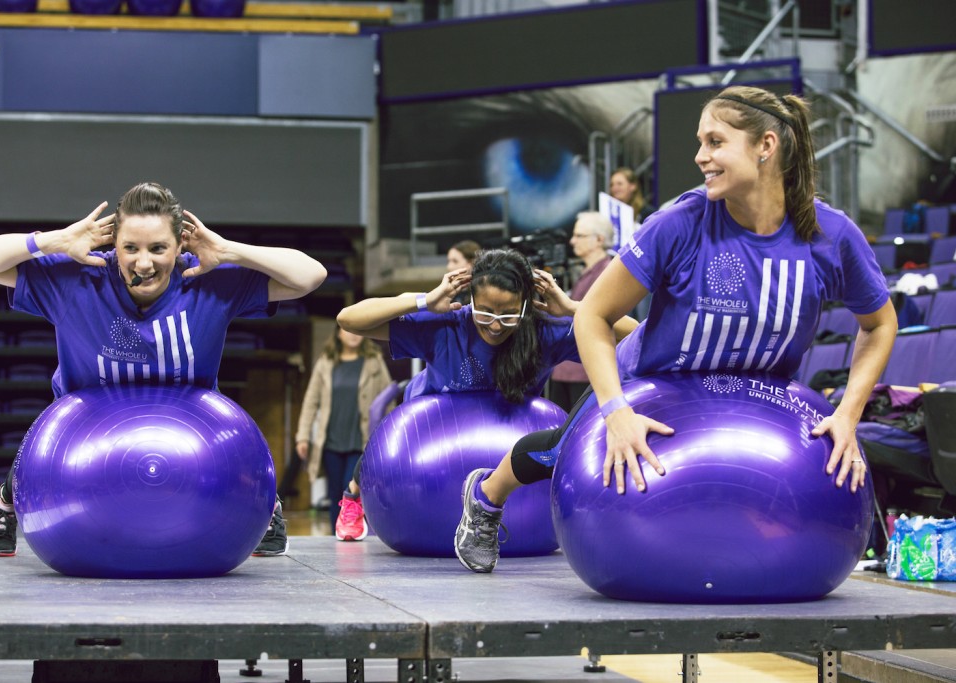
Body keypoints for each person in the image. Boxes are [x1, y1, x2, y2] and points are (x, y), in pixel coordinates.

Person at [454, 85, 898, 573]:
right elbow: (593, 315)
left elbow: (879, 324)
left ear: (765, 146)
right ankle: (486, 495)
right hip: (649, 385)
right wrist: (617, 411)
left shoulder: (830, 235)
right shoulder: (680, 223)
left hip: (753, 398)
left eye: (715, 142)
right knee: (559, 450)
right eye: (699, 142)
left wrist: (849, 413)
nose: (700, 156)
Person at [0, 181, 327, 558]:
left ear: (180, 246)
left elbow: (310, 276)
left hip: (192, 438)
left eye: (158, 248)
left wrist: (228, 250)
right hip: (83, 437)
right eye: (130, 248)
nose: (143, 263)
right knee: (37, 446)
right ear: (113, 246)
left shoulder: (210, 279)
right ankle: (6, 501)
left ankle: (263, 504)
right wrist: (54, 240)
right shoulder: (75, 279)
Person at [336, 249, 639, 541]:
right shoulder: (446, 325)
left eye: (508, 315)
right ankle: (352, 494)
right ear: (471, 300)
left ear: (524, 305)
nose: (495, 325)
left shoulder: (542, 331)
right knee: (376, 452)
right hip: (429, 434)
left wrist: (575, 308)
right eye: (485, 312)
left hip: (505, 436)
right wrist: (424, 300)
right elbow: (349, 319)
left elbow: (636, 333)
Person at [295, 325, 394, 540]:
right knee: (334, 494)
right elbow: (311, 401)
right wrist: (303, 436)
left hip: (361, 440)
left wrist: (388, 434)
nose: (353, 334)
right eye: (348, 330)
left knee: (351, 489)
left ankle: (356, 531)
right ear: (338, 334)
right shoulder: (326, 362)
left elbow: (388, 398)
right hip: (331, 440)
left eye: (357, 330)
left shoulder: (374, 361)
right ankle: (337, 536)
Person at [548, 212, 614, 412]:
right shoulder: (588, 272)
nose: (572, 241)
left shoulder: (608, 271)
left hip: (584, 371)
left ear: (599, 240)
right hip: (569, 369)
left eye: (579, 236)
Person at [446, 240, 480, 305]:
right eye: (448, 261)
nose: (449, 267)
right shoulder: (447, 293)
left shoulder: (482, 292)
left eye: (455, 261)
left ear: (471, 263)